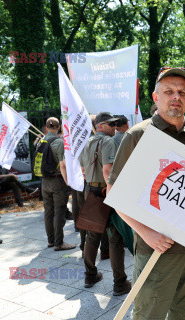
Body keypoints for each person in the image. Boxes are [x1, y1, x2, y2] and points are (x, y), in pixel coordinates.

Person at [107, 67, 185, 320]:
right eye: (168, 91)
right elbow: (115, 196)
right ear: (155, 96)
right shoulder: (138, 135)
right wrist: (146, 232)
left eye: (182, 92)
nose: (176, 96)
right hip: (157, 250)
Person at [79, 112, 130, 294]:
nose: (113, 127)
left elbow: (83, 170)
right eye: (110, 124)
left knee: (91, 236)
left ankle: (90, 275)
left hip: (91, 190)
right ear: (100, 125)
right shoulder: (107, 142)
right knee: (115, 238)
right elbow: (108, 171)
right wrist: (114, 193)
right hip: (105, 191)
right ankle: (120, 283)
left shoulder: (87, 142)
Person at [40, 117, 76, 251]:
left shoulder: (41, 141)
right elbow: (63, 166)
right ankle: (59, 243)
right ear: (59, 127)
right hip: (57, 181)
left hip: (44, 181)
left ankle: (50, 240)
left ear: (46, 127)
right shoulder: (59, 142)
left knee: (48, 211)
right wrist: (68, 182)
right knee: (59, 211)